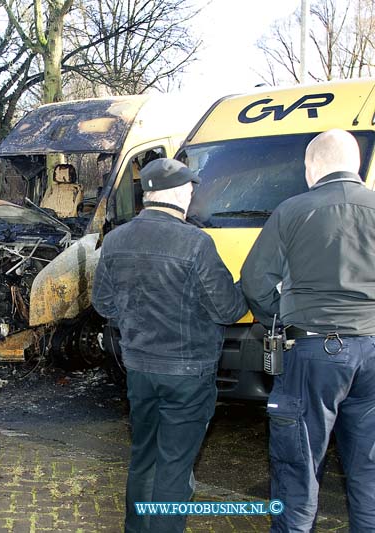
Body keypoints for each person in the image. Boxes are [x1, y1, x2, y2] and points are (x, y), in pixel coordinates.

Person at [92, 158, 247, 533]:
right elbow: (227, 308)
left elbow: (103, 303)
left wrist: (135, 318)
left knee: (144, 456)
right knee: (174, 466)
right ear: (181, 193)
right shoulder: (195, 243)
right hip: (187, 373)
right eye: (191, 190)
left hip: (140, 369)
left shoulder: (115, 239)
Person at [241, 129, 375, 532]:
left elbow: (255, 281)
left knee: (297, 469)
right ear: (355, 164)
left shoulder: (294, 210)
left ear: (311, 167)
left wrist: (277, 320)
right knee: (369, 470)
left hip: (315, 352)